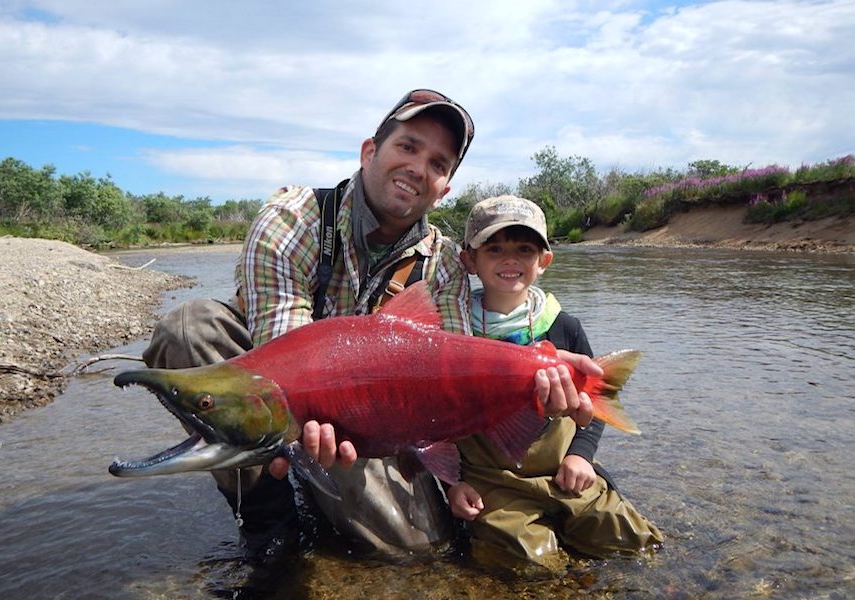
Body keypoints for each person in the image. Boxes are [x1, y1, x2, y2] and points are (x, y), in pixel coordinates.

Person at [142, 90, 601, 561]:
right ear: (369, 152)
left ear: (443, 189)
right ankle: (266, 518)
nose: (418, 168)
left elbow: (455, 386)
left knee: (419, 549)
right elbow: (281, 356)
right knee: (189, 326)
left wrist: (540, 372)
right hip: (290, 397)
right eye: (407, 147)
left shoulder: (443, 265)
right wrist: (297, 436)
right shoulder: (293, 220)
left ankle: (322, 491)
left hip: (374, 421)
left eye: (438, 163)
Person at [447, 195, 664, 565]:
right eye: (494, 248)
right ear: (470, 261)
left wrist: (581, 455)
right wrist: (451, 484)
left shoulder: (564, 327)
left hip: (563, 473)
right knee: (526, 562)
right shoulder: (454, 330)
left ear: (543, 261)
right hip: (491, 481)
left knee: (632, 539)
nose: (510, 260)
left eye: (524, 249)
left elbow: (593, 406)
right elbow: (435, 420)